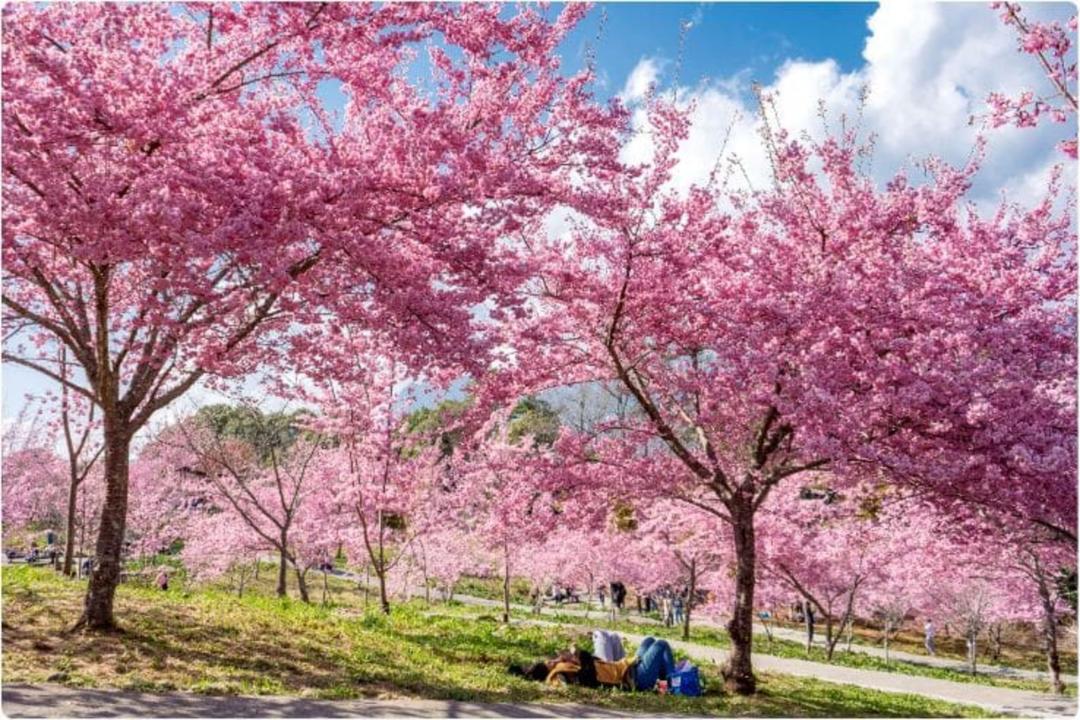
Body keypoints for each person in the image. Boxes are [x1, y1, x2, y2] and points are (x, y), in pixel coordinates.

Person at [510, 635, 676, 692]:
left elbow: (592, 665)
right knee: (661, 644)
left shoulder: (564, 667)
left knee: (649, 641)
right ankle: (674, 684)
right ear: (549, 670)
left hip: (626, 667)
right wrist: (578, 655)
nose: (555, 660)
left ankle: (665, 684)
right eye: (551, 662)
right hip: (634, 679)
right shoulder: (558, 675)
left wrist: (573, 658)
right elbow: (588, 679)